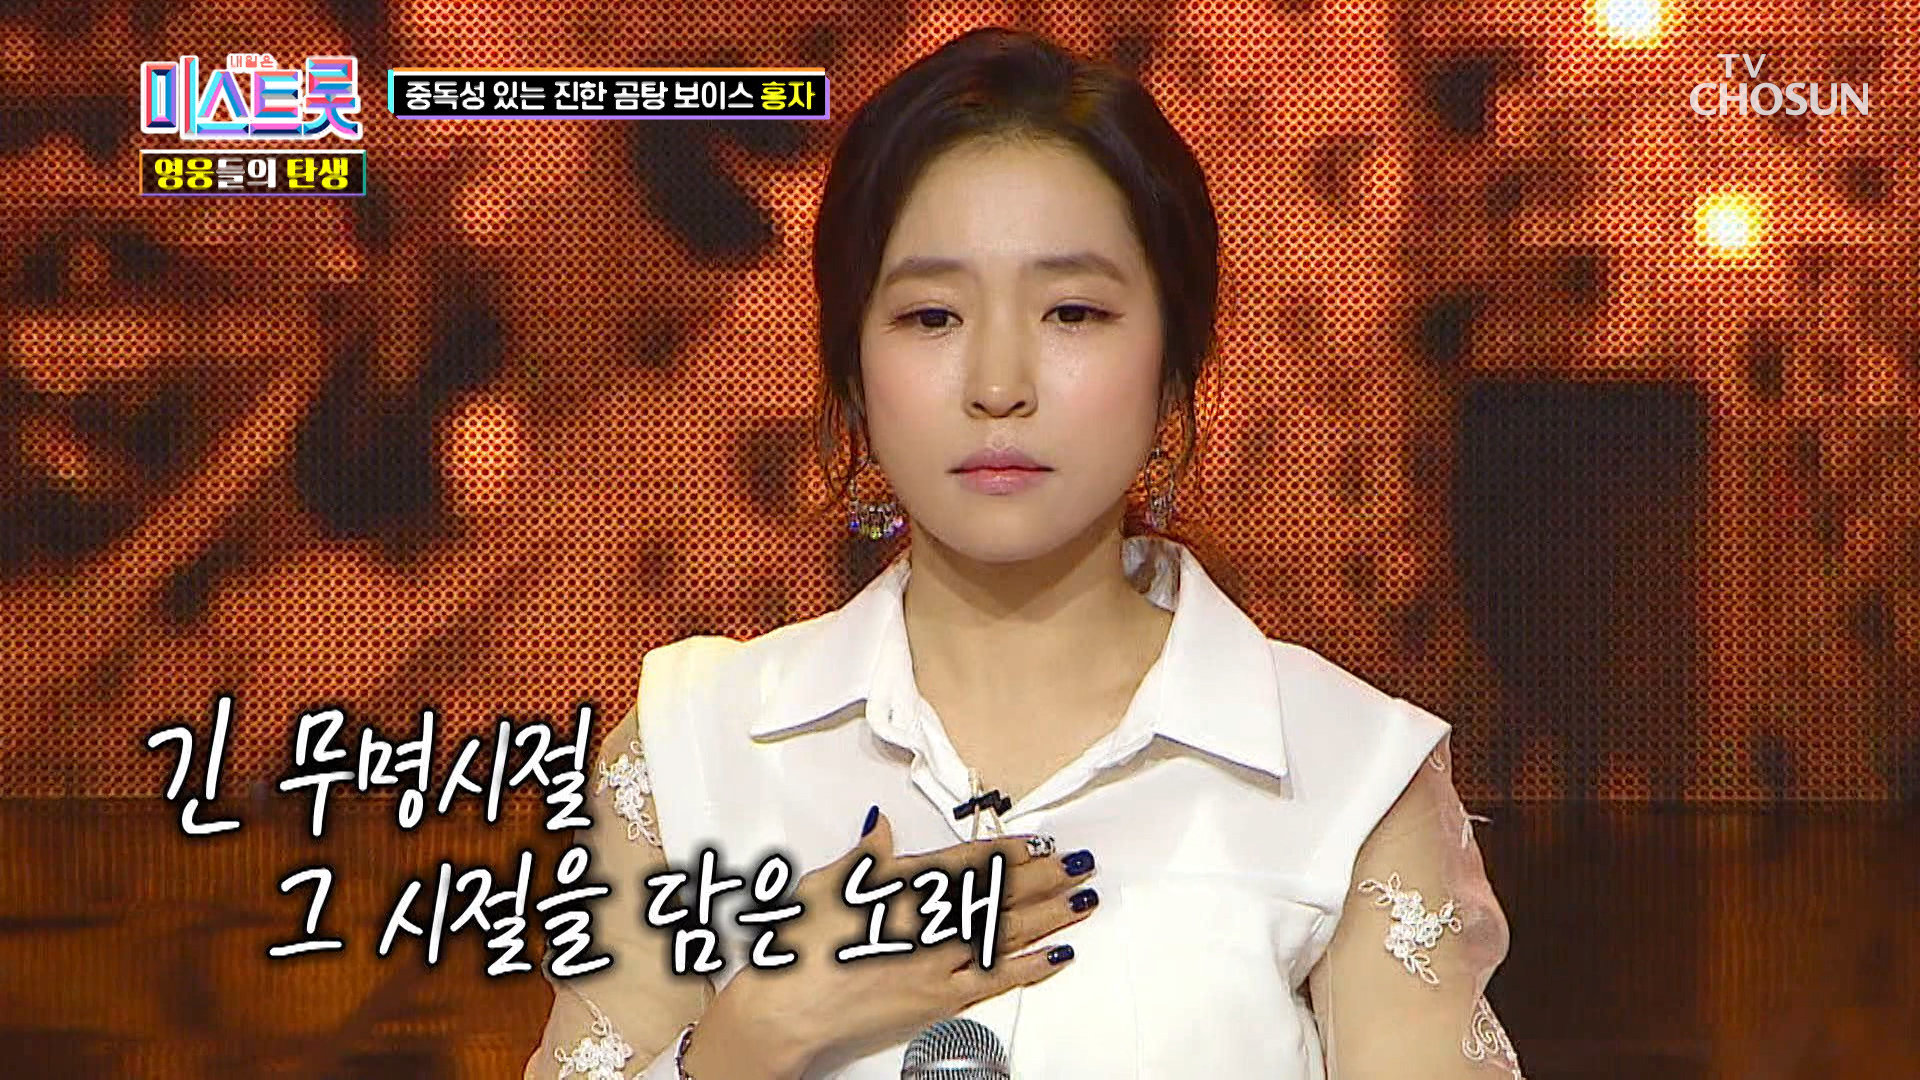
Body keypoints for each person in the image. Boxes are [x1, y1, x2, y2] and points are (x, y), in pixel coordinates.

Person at [527, 26, 1523, 1080]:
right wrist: (752, 1033)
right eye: (931, 316)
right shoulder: (694, 745)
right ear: (852, 370)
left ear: (1175, 364)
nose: (998, 383)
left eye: (1073, 312)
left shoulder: (1346, 772)